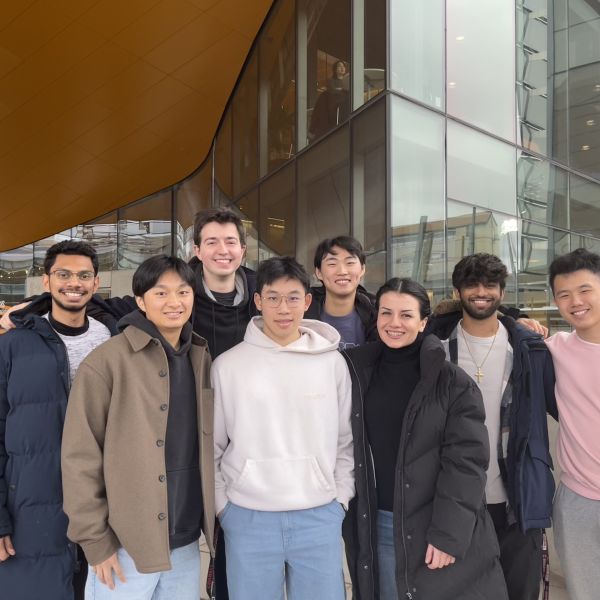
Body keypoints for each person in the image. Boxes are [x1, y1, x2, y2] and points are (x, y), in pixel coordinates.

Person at [343, 277, 508, 600]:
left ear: (423, 322)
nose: (394, 323)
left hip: (436, 525)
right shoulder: (356, 371)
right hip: (380, 523)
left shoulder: (452, 382)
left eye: (406, 315)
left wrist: (447, 535)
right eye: (386, 313)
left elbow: (467, 463)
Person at [61, 255, 215, 600]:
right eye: (161, 293)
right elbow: (79, 456)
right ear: (142, 302)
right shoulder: (107, 361)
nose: (174, 302)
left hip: (187, 543)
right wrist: (96, 541)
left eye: (183, 292)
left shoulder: (199, 356)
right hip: (124, 544)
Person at [212, 256, 354, 599]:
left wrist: (340, 500)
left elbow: (345, 441)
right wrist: (224, 508)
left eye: (293, 297)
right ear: (258, 301)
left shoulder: (333, 362)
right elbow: (212, 447)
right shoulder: (228, 366)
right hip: (248, 517)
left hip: (319, 514)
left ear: (307, 301)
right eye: (272, 297)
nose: (283, 308)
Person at [427, 253, 557, 600]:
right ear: (458, 291)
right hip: (456, 502)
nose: (481, 292)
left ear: (502, 291)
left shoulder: (528, 348)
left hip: (515, 499)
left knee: (519, 592)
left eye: (490, 285)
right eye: (472, 285)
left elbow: (567, 406)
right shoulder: (434, 347)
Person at [0, 240, 117, 600]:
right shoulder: (13, 345)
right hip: (31, 507)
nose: (74, 283)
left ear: (96, 284)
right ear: (46, 281)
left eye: (84, 275)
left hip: (103, 502)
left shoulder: (113, 340)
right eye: (63, 274)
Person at [546, 247, 600, 600]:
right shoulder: (555, 348)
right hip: (579, 497)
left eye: (585, 290)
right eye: (564, 295)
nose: (575, 302)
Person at [306, 235, 377, 348]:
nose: (342, 271)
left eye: (350, 263)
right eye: (332, 264)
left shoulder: (377, 315)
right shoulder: (302, 315)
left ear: (362, 269)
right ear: (318, 272)